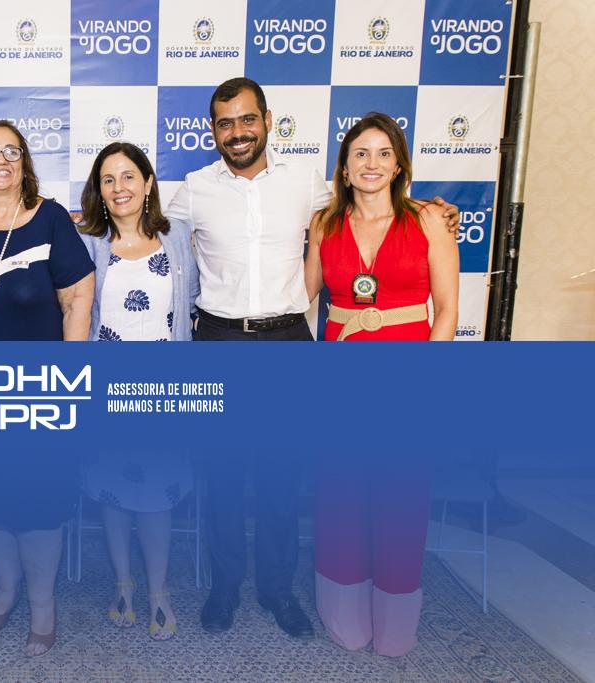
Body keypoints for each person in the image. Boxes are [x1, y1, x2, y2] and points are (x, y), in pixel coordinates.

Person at [164, 78, 460, 638]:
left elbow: (369, 201)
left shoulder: (305, 182)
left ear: (267, 121)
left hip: (287, 342)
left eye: (247, 119)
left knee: (281, 475)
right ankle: (224, 587)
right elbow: (142, 230)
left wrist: (434, 210)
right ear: (213, 131)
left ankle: (278, 590)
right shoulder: (195, 189)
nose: (237, 132)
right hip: (220, 340)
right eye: (225, 123)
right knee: (223, 476)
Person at [303, 112, 458, 656]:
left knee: (401, 496)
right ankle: (343, 613)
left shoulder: (429, 221)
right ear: (344, 169)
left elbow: (447, 311)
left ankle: (395, 623)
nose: (372, 164)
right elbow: (301, 296)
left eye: (383, 153)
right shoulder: (325, 225)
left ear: (398, 166)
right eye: (360, 154)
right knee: (341, 493)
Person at [0, 120, 95, 657]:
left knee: (38, 504)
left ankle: (43, 604)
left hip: (39, 391)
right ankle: (6, 591)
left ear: (25, 162)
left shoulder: (50, 218)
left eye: (11, 151)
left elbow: (78, 298)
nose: (0, 160)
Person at [76, 142, 198, 639]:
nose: (119, 187)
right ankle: (123, 586)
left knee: (157, 496)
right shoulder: (87, 243)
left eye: (129, 176)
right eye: (108, 179)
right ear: (98, 190)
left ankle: (158, 592)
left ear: (148, 183)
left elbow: (192, 304)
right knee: (112, 491)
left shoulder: (178, 237)